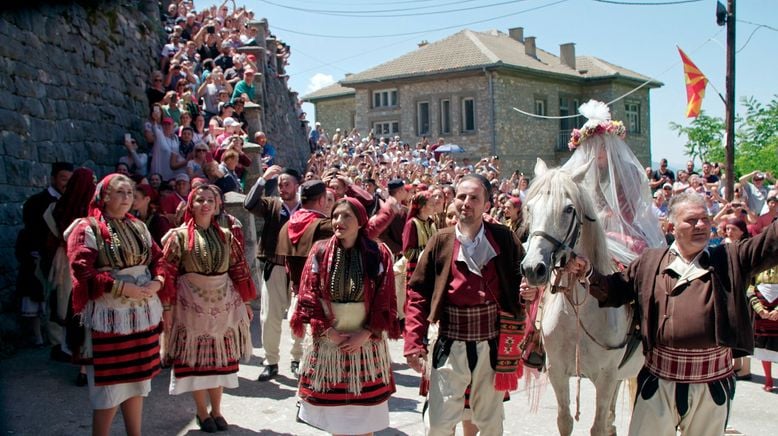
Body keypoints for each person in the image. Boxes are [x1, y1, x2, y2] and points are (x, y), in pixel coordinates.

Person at [565, 192, 778, 435]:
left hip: (711, 385)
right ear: (671, 226)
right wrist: (588, 273)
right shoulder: (649, 262)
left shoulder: (729, 258)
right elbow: (614, 290)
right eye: (691, 220)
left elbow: (771, 242)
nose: (700, 226)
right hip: (659, 383)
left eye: (705, 219)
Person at [404, 174, 531, 435]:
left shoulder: (504, 238)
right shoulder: (440, 240)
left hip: (492, 346)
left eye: (474, 197)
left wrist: (528, 291)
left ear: (486, 204)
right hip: (451, 343)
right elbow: (418, 294)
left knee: (490, 423)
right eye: (462, 197)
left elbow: (525, 278)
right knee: (438, 423)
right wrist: (413, 343)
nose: (466, 203)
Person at [67, 174, 167, 436]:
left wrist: (157, 281)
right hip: (109, 319)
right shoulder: (87, 228)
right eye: (120, 193)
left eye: (130, 193)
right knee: (110, 388)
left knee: (137, 383)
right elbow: (81, 269)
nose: (126, 198)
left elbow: (158, 258)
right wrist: (121, 287)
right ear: (104, 196)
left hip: (141, 316)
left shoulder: (139, 226)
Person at [290, 197, 400, 435]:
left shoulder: (378, 253)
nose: (339, 221)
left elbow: (385, 296)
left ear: (361, 222)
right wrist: (329, 332)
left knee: (365, 420)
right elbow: (308, 295)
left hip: (366, 344)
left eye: (346, 216)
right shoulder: (319, 251)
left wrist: (367, 332)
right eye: (336, 215)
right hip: (330, 342)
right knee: (337, 419)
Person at [161, 184, 256, 433]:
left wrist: (245, 301)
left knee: (220, 360)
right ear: (191, 205)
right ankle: (202, 413)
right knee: (195, 361)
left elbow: (238, 269)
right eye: (199, 200)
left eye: (210, 200)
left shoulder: (226, 235)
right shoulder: (178, 236)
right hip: (189, 304)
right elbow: (167, 272)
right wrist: (167, 307)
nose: (205, 204)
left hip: (222, 303)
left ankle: (217, 410)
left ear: (217, 207)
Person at [563, 100, 665, 265]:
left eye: (601, 146)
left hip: (620, 230)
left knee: (639, 256)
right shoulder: (585, 173)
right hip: (587, 230)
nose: (596, 151)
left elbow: (627, 212)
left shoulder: (627, 172)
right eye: (592, 146)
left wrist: (601, 219)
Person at [243, 166, 303, 381]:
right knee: (270, 317)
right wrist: (262, 179)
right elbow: (249, 204)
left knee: (299, 315)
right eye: (280, 184)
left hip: (300, 269)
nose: (283, 188)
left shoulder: (307, 207)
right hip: (275, 266)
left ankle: (298, 359)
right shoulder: (272, 205)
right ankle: (271, 361)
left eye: (287, 184)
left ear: (297, 185)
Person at [41, 168, 95, 385]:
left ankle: (70, 352)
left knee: (68, 308)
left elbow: (50, 237)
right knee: (84, 311)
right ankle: (84, 361)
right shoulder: (92, 211)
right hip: (82, 263)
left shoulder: (57, 208)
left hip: (63, 260)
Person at [16, 161, 73, 347]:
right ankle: (46, 339)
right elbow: (32, 232)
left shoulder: (71, 201)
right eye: (63, 178)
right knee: (42, 297)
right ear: (53, 178)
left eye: (70, 180)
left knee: (60, 301)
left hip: (63, 259)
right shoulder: (37, 202)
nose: (66, 183)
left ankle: (59, 340)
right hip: (43, 257)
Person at [747, 266, 778, 392]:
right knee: (764, 345)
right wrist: (758, 308)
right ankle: (768, 379)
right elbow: (749, 288)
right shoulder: (758, 264)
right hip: (761, 309)